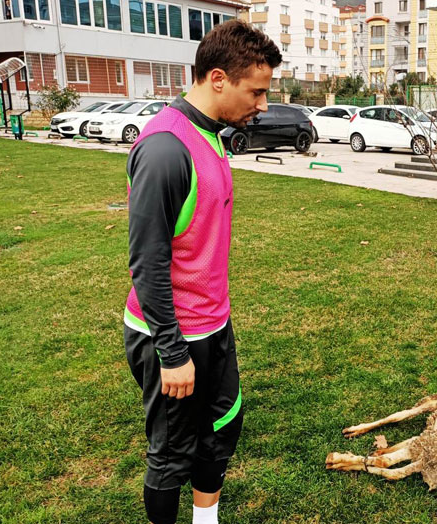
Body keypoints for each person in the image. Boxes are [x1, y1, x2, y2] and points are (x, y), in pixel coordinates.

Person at [122, 20, 280, 524]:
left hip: (212, 324)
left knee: (221, 430)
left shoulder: (211, 135)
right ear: (218, 79)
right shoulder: (167, 148)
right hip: (170, 337)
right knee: (172, 454)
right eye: (255, 91)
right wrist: (171, 352)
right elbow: (148, 262)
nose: (262, 104)